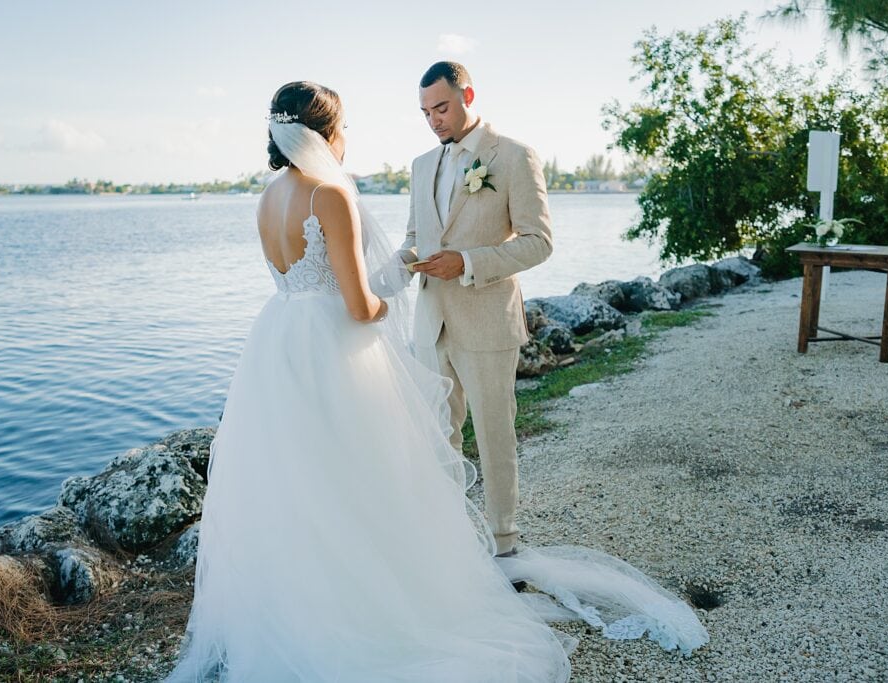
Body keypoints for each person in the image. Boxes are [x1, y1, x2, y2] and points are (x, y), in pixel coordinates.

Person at [163, 81, 707, 683]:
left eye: (437, 108)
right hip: (336, 348)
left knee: (305, 478)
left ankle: (308, 604)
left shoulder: (267, 198)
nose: (428, 121)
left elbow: (527, 240)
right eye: (344, 127)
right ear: (326, 131)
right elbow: (358, 304)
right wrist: (381, 306)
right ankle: (379, 606)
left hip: (279, 349)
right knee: (363, 474)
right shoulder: (332, 196)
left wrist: (444, 267)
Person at [402, 61, 552, 557]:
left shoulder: (512, 156)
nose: (434, 120)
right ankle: (451, 542)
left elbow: (538, 243)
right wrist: (390, 267)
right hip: (431, 323)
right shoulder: (423, 165)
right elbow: (413, 239)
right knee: (437, 437)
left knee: (493, 437)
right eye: (425, 112)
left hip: (488, 321)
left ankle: (504, 543)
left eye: (441, 107)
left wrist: (467, 261)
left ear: (468, 95)